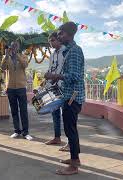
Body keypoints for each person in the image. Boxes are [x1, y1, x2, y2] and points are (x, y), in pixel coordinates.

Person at [44, 22, 85, 175]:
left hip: (72, 97)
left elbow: (74, 76)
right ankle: (75, 159)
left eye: (61, 34)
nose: (59, 36)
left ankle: (74, 165)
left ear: (69, 34)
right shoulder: (68, 51)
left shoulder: (74, 51)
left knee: (70, 130)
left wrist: (55, 75)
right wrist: (56, 78)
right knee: (70, 129)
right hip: (68, 95)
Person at [1, 41, 33, 141]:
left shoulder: (23, 56)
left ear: (18, 47)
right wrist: (6, 56)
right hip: (10, 88)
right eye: (12, 46)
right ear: (10, 47)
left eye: (16, 46)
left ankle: (25, 132)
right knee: (14, 110)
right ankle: (16, 131)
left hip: (21, 87)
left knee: (23, 110)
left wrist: (17, 56)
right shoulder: (7, 57)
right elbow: (2, 67)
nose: (14, 47)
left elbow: (25, 65)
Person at [44, 32, 66, 147]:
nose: (51, 43)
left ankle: (70, 143)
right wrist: (47, 81)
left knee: (67, 115)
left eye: (53, 40)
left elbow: (63, 69)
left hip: (64, 87)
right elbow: (51, 68)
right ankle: (57, 137)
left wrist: (55, 78)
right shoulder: (52, 54)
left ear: (59, 40)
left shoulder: (65, 51)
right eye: (49, 41)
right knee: (55, 113)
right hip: (53, 87)